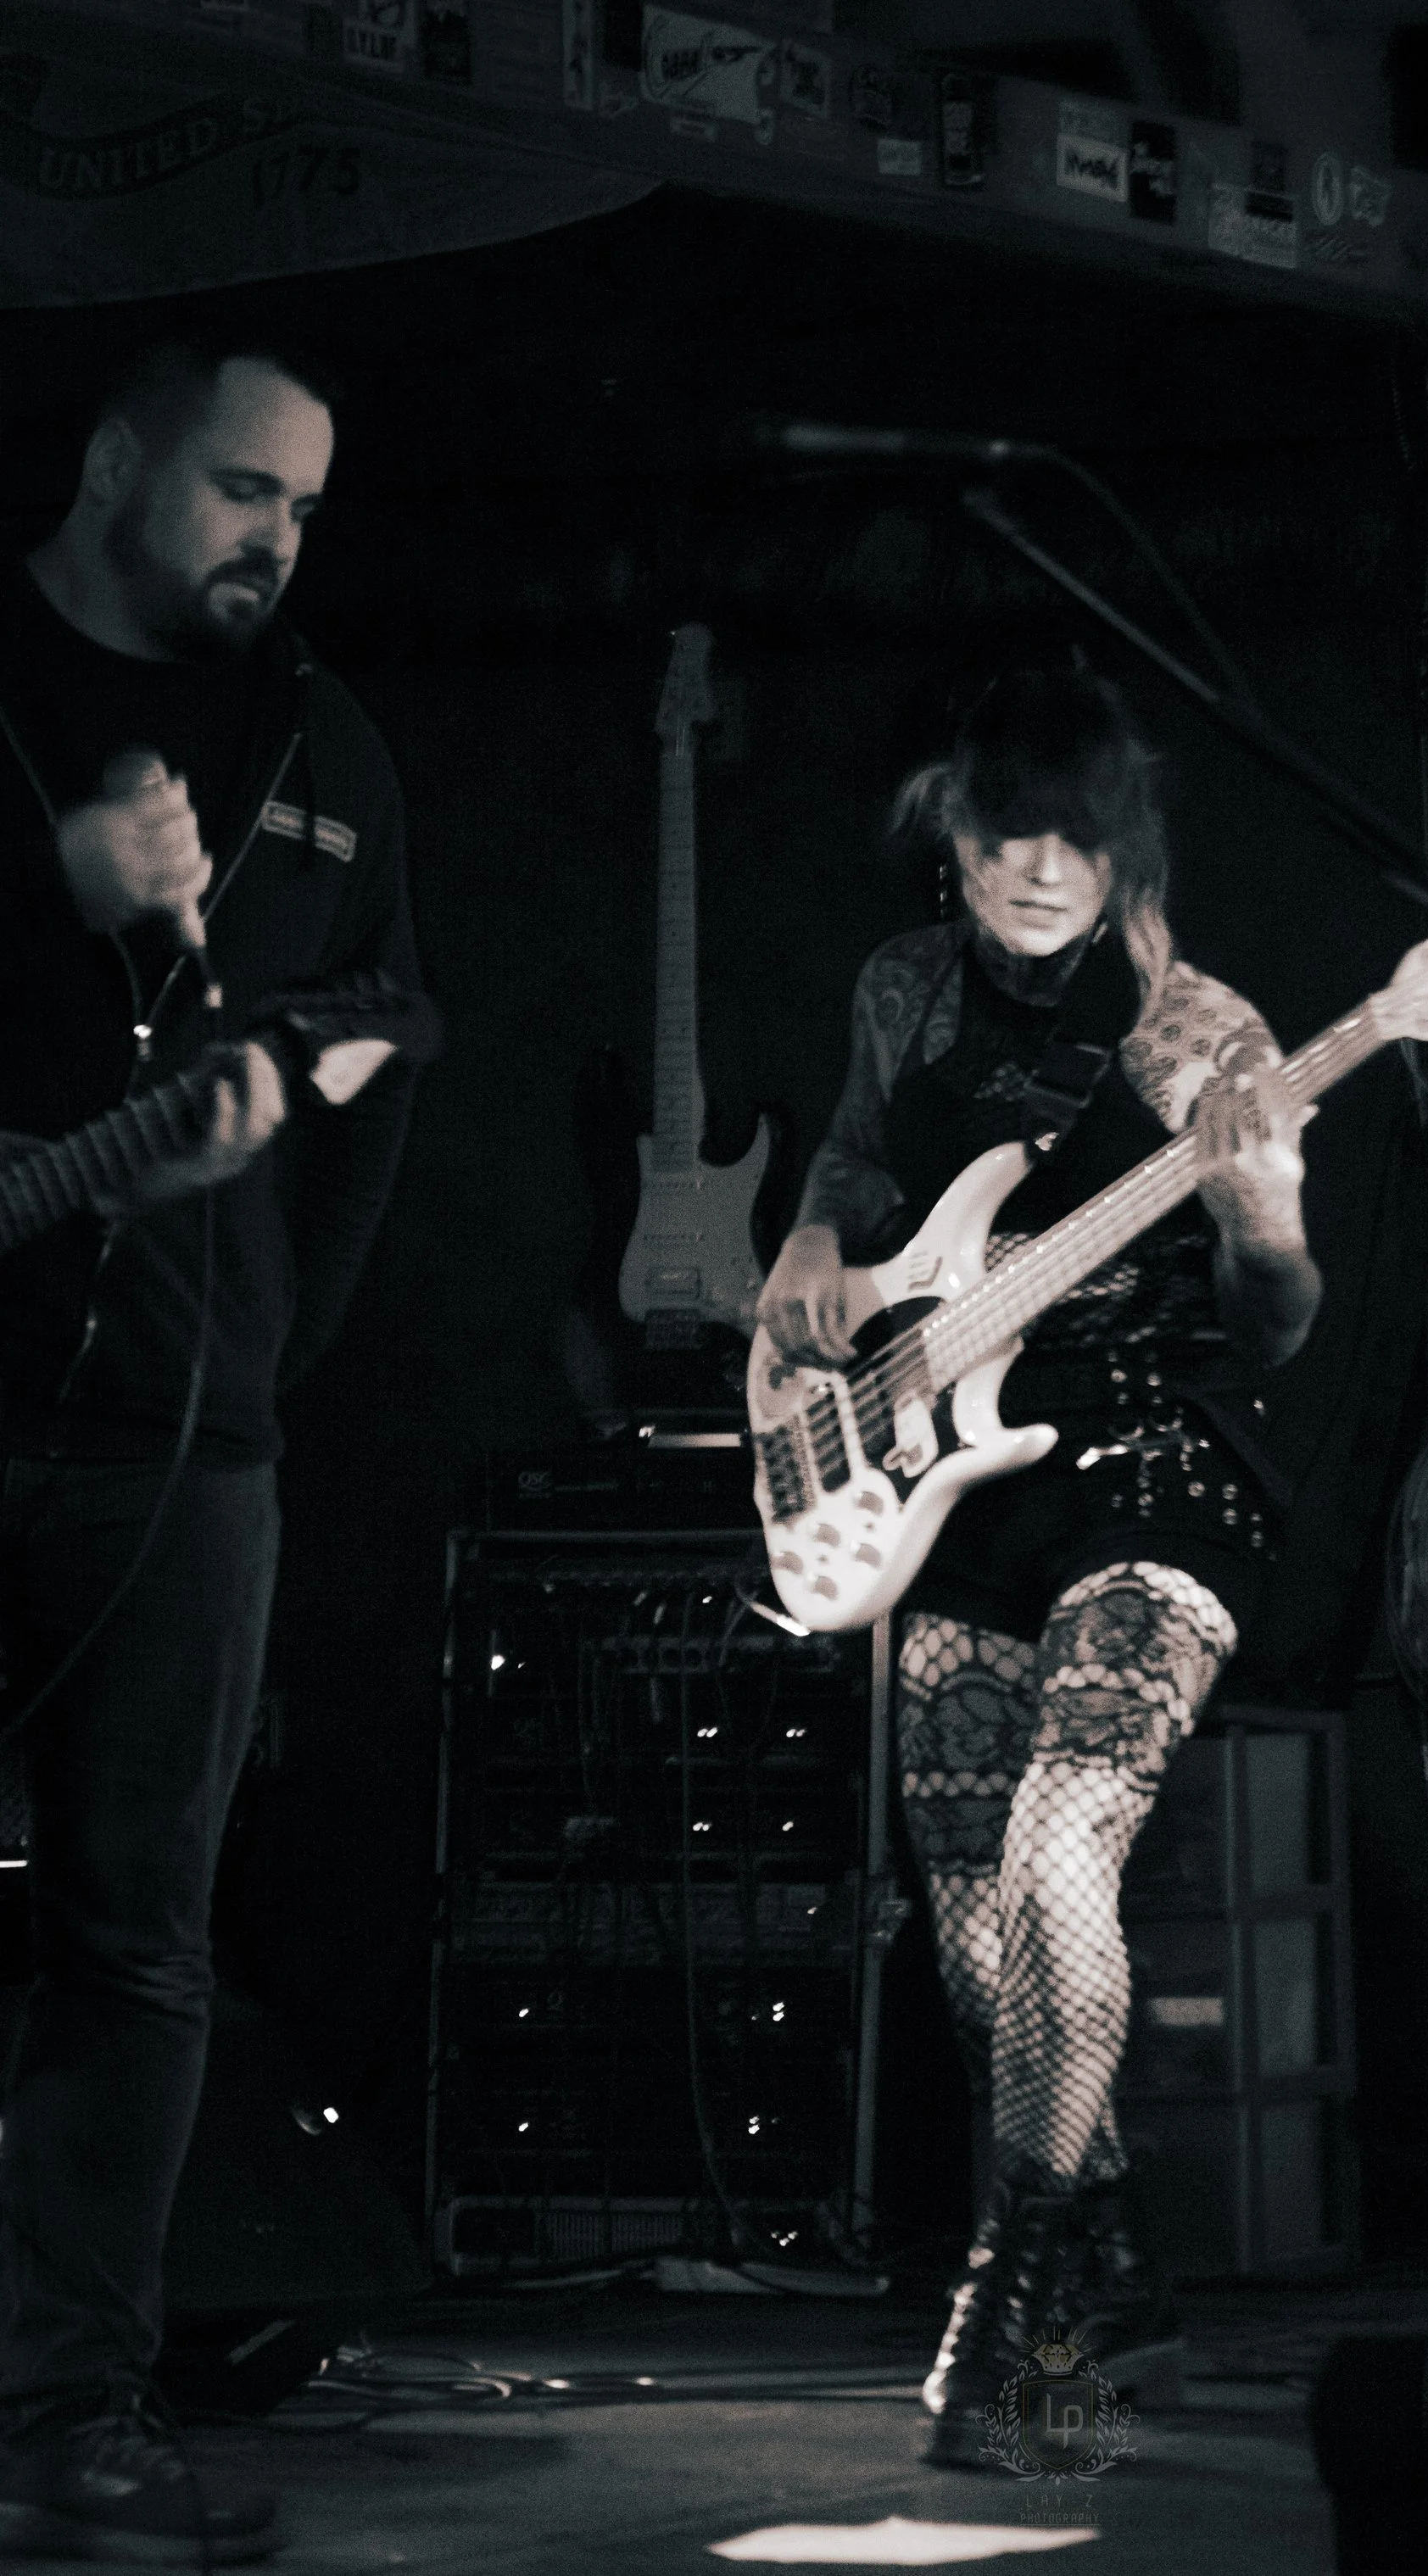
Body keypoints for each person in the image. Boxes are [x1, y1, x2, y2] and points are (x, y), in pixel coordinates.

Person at [760, 668, 1323, 2465]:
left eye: (1073, 834)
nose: (1033, 865)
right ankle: (1118, 2268)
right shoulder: (900, 988)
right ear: (954, 826)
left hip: (1153, 1479)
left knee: (1061, 1844)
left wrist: (1264, 1214)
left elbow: (1279, 1324)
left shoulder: (1201, 1035)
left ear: (1120, 843)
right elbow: (856, 1164)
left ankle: (1008, 2307)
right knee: (973, 1933)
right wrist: (802, 1260)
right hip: (953, 1487)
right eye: (1003, 828)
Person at [0, 334, 423, 2561]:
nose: (274, 534)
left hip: (190, 1437)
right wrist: (41, 878)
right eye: (242, 488)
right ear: (111, 466)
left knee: (136, 1937)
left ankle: (71, 2406)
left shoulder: (320, 742)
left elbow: (385, 1009)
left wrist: (280, 1116)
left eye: (306, 507)